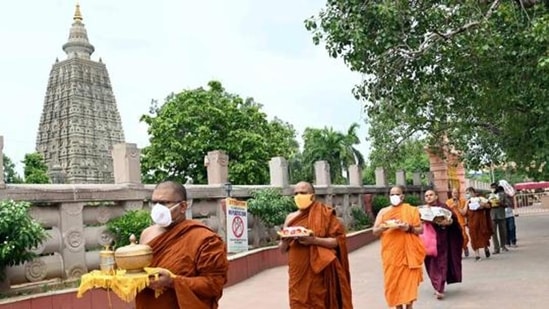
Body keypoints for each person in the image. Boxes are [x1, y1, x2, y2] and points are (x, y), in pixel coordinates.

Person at [136, 181, 229, 309]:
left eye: (165, 203)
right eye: (154, 202)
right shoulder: (147, 234)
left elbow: (214, 284)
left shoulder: (205, 239)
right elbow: (138, 273)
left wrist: (172, 281)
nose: (158, 208)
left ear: (183, 207)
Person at [279, 181, 353, 309]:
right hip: (298, 272)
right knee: (298, 301)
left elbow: (337, 242)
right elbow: (282, 249)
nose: (299, 196)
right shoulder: (290, 218)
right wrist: (285, 241)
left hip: (318, 270)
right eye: (296, 193)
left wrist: (314, 241)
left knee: (319, 301)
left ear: (312, 196)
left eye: (303, 193)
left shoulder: (324, 214)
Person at [373, 185, 425, 309]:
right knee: (395, 285)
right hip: (392, 256)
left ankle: (409, 306)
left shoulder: (411, 210)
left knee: (409, 287)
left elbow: (420, 229)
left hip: (409, 256)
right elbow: (375, 231)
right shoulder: (383, 212)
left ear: (402, 196)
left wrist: (408, 228)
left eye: (397, 194)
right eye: (392, 194)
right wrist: (384, 227)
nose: (394, 197)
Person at [423, 190, 463, 300]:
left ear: (436, 196)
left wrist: (448, 222)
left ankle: (439, 288)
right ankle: (436, 285)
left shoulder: (443, 207)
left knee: (441, 262)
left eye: (431, 195)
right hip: (427, 241)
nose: (429, 197)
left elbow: (453, 220)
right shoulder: (422, 210)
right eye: (426, 196)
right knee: (430, 263)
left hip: (442, 240)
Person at [464, 187, 493, 261]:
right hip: (472, 224)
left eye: (469, 193)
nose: (468, 194)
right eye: (466, 193)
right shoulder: (467, 202)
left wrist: (482, 204)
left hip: (481, 222)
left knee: (483, 237)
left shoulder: (480, 199)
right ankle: (477, 255)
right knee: (474, 238)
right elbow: (464, 213)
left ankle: (486, 248)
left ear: (474, 192)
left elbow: (489, 206)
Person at [446, 188, 470, 257]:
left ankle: (465, 247)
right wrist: (452, 206)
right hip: (453, 223)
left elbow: (464, 213)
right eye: (453, 193)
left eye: (456, 193)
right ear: (451, 194)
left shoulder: (462, 201)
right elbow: (446, 212)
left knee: (464, 237)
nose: (455, 194)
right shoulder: (448, 202)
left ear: (458, 193)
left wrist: (458, 206)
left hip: (461, 222)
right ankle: (459, 252)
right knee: (456, 238)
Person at [489, 183, 508, 254]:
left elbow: (507, 204)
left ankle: (503, 245)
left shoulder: (503, 194)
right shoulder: (489, 196)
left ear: (497, 188)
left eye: (494, 187)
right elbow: (486, 204)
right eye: (491, 188)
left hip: (501, 215)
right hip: (492, 216)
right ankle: (496, 248)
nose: (493, 189)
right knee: (493, 233)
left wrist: (501, 203)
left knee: (503, 231)